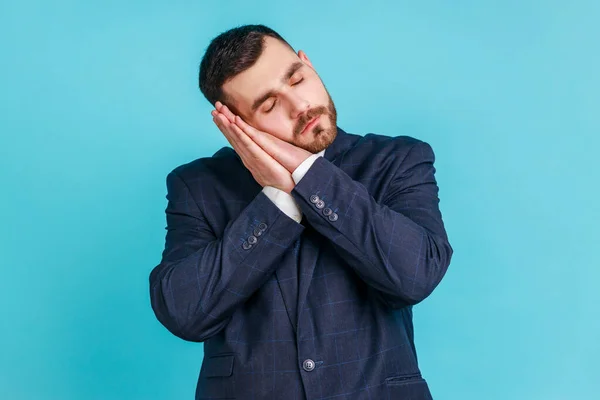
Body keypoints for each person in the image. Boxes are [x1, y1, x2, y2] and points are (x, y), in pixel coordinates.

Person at [149, 24, 453, 400]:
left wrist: (305, 174)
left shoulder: (397, 160)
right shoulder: (197, 187)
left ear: (308, 64)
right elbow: (185, 312)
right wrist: (276, 199)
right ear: (236, 125)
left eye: (296, 80)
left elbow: (414, 275)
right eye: (270, 105)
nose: (300, 106)